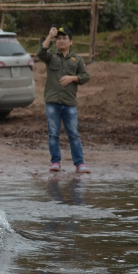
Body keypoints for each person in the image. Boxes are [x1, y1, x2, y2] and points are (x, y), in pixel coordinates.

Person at [38, 26, 90, 173]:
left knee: (73, 134)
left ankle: (79, 164)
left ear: (71, 42)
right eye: (59, 39)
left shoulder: (77, 59)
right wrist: (49, 36)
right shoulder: (51, 56)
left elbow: (85, 76)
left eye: (64, 38)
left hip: (69, 103)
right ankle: (55, 162)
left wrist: (72, 78)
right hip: (52, 102)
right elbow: (40, 53)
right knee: (53, 134)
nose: (61, 41)